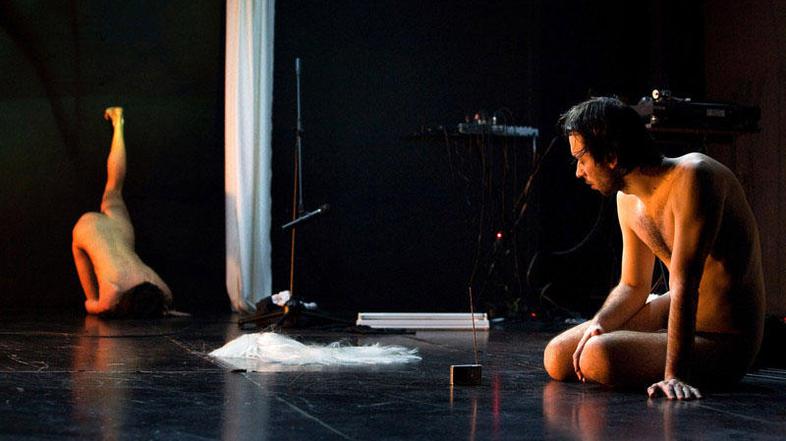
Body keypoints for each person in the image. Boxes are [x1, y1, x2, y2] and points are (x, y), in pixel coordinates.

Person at [543, 97, 765, 400]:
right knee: (557, 356)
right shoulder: (626, 199)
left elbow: (686, 283)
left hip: (723, 339)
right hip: (672, 313)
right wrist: (599, 324)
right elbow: (633, 285)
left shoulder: (695, 176)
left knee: (596, 356)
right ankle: (646, 342)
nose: (579, 172)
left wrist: (674, 375)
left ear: (611, 157)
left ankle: (661, 353)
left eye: (582, 160)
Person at [71, 107, 172, 317]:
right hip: (88, 227)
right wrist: (95, 303)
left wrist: (164, 309)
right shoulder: (112, 293)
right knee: (79, 251)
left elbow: (167, 298)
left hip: (118, 230)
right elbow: (91, 307)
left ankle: (119, 124)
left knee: (114, 187)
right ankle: (91, 293)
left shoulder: (153, 281)